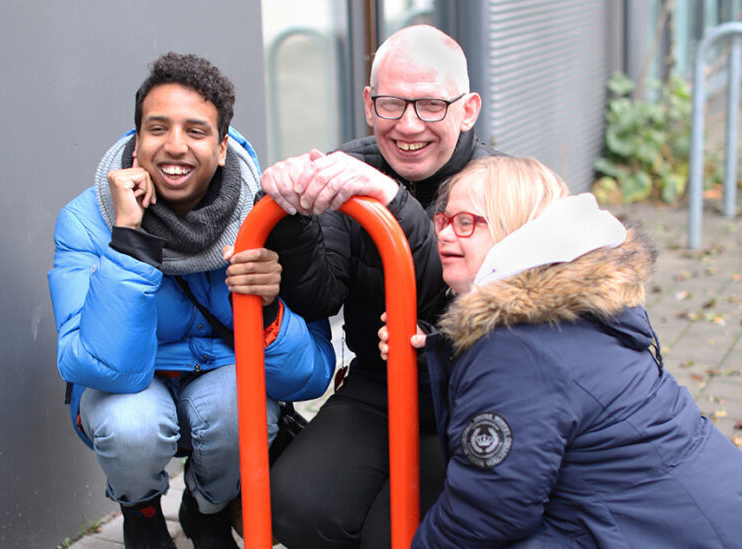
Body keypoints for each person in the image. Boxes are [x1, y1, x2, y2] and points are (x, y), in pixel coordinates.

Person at [47, 52, 335, 549]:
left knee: (242, 406)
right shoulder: (87, 219)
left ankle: (207, 507)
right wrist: (127, 238)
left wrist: (267, 309)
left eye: (196, 131)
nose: (175, 146)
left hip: (221, 382)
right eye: (157, 128)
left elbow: (308, 377)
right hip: (132, 384)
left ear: (223, 147)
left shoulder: (266, 218)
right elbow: (94, 365)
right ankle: (139, 509)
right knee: (131, 425)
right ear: (137, 141)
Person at [379, 156, 742, 548]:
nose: (446, 235)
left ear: (512, 231)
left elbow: (486, 514)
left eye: (466, 222)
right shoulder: (567, 308)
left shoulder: (514, 348)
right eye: (444, 220)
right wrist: (428, 360)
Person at [261, 25, 498, 549]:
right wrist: (291, 219)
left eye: (432, 105)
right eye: (392, 104)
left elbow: (459, 300)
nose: (409, 125)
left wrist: (395, 205)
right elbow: (319, 296)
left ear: (468, 110)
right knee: (297, 505)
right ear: (369, 105)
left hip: (469, 394)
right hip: (379, 382)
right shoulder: (350, 166)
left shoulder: (499, 185)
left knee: (397, 533)